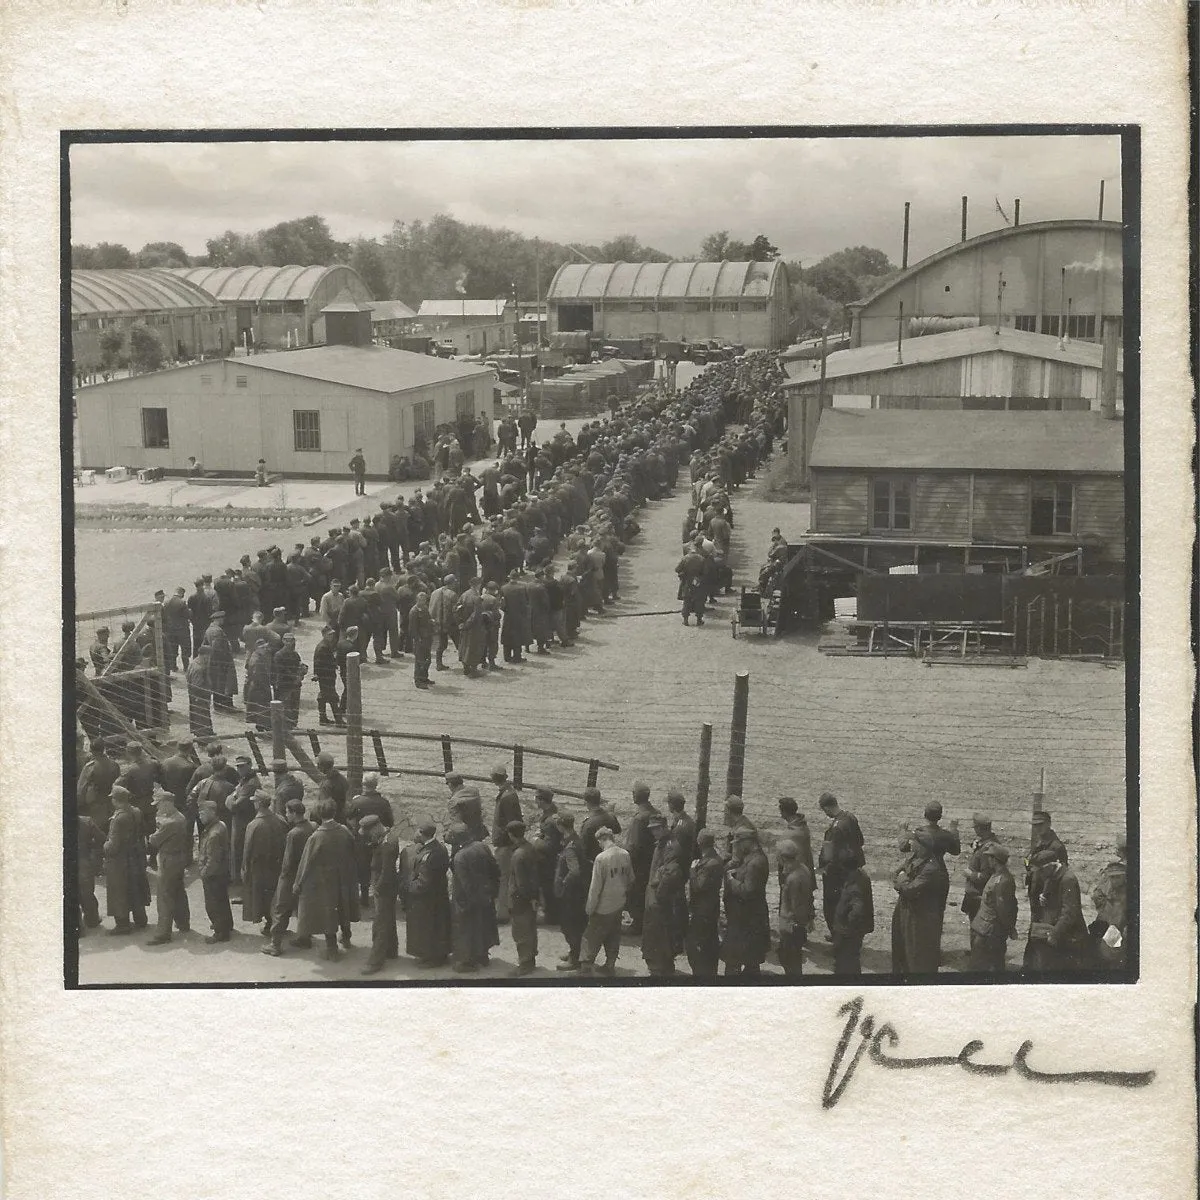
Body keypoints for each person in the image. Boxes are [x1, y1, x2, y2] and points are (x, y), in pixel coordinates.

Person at [293, 798, 361, 960]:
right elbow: (353, 849)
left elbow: (306, 862)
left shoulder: (317, 837)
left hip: (325, 880)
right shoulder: (344, 830)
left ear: (318, 814)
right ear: (335, 812)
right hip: (344, 877)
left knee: (328, 911)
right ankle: (346, 936)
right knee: (343, 906)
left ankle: (332, 949)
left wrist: (298, 882)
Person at [261, 799, 316, 956]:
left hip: (291, 876)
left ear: (293, 813)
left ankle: (275, 944)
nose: (286, 815)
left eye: (287, 812)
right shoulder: (311, 827)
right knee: (303, 907)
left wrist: (282, 878)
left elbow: (287, 861)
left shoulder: (293, 834)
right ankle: (305, 937)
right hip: (307, 875)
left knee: (280, 908)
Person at [578, 826, 633, 977]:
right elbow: (630, 879)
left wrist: (590, 908)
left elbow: (595, 888)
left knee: (590, 937)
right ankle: (610, 965)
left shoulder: (601, 858)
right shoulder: (625, 854)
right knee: (613, 935)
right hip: (618, 903)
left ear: (601, 840)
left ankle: (585, 969)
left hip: (603, 906)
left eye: (599, 842)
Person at [447, 823, 501, 974]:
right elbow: (495, 870)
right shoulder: (482, 847)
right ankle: (482, 955)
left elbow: (466, 884)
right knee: (483, 925)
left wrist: (468, 901)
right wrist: (491, 892)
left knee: (465, 930)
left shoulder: (459, 857)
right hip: (485, 895)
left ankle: (466, 962)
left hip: (467, 899)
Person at [721, 825, 770, 977]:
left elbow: (747, 891)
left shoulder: (755, 862)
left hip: (747, 918)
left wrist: (731, 880)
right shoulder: (752, 858)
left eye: (739, 843)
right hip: (747, 917)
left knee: (737, 960)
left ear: (748, 842)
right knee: (749, 959)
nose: (738, 847)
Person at [890, 837, 944, 976]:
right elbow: (896, 874)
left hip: (919, 915)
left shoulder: (931, 867)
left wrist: (902, 881)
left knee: (915, 952)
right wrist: (903, 882)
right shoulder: (915, 857)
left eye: (913, 841)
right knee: (901, 946)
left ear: (922, 846)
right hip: (905, 908)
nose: (910, 843)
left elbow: (910, 889)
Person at [640, 814, 686, 975]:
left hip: (661, 897)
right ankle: (660, 964)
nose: (654, 832)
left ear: (663, 827)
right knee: (655, 931)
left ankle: (660, 967)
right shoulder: (662, 843)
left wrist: (658, 894)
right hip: (655, 895)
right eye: (652, 829)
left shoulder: (671, 846)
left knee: (659, 932)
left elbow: (669, 874)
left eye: (656, 829)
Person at [402, 823, 452, 967]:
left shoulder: (429, 854)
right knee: (438, 927)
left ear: (422, 833)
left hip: (427, 899)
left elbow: (423, 882)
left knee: (427, 929)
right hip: (438, 895)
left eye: (417, 831)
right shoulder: (439, 847)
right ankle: (440, 955)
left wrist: (408, 887)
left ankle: (431, 959)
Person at [1027, 857, 1089, 971]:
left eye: (1041, 871)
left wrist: (1055, 934)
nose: (1040, 875)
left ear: (1050, 866)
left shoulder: (1068, 879)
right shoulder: (1052, 876)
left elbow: (1069, 912)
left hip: (1070, 935)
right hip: (1060, 932)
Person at [817, 791, 865, 936]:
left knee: (833, 906)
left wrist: (823, 868)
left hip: (837, 873)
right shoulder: (850, 817)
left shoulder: (836, 828)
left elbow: (829, 855)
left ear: (826, 808)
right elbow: (860, 841)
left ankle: (837, 937)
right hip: (853, 869)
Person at [103, 785, 149, 934]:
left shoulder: (118, 818)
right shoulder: (137, 812)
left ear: (116, 800)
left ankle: (123, 924)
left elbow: (113, 845)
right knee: (135, 887)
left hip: (120, 859)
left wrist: (104, 846)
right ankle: (141, 919)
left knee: (119, 889)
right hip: (135, 855)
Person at [146, 791, 190, 944]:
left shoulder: (170, 822)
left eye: (158, 804)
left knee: (164, 896)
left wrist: (156, 828)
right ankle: (183, 923)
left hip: (168, 859)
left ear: (166, 803)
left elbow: (153, 841)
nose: (157, 808)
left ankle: (162, 933)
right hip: (179, 858)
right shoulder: (180, 817)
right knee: (178, 891)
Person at [242, 791, 288, 936]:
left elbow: (247, 850)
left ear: (259, 804)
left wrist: (245, 869)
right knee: (276, 894)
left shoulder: (254, 825)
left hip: (259, 867)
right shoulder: (280, 820)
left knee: (261, 897)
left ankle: (270, 924)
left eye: (255, 801)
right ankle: (278, 923)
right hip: (277, 865)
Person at [360, 815, 400, 975]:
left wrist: (377, 888)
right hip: (385, 886)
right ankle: (391, 950)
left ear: (375, 828)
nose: (368, 837)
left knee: (380, 923)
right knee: (388, 918)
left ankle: (376, 961)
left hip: (384, 887)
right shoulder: (388, 837)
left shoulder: (387, 845)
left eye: (368, 833)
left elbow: (386, 871)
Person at [968, 843, 1018, 972]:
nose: (988, 860)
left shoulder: (1003, 880)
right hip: (984, 928)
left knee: (988, 967)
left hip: (990, 932)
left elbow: (1003, 909)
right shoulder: (997, 876)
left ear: (995, 860)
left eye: (990, 858)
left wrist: (1009, 928)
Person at [347, 773, 395, 905]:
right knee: (378, 866)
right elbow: (390, 822)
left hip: (361, 839)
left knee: (362, 866)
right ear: (376, 785)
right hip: (378, 839)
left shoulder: (357, 801)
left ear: (363, 784)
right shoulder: (384, 802)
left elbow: (348, 817)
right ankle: (378, 895)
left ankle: (364, 895)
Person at [685, 829, 724, 978]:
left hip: (703, 909)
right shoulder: (715, 859)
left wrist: (693, 871)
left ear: (699, 843)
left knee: (697, 945)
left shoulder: (709, 863)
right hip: (710, 907)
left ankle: (701, 974)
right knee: (708, 942)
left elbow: (699, 886)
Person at [553, 813, 588, 972]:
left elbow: (574, 871)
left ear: (561, 826)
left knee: (570, 926)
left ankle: (575, 959)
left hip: (571, 894)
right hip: (579, 892)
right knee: (576, 925)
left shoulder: (570, 847)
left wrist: (563, 884)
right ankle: (575, 953)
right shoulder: (576, 840)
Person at [624, 782, 659, 937]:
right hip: (651, 860)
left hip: (639, 863)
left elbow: (634, 845)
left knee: (636, 892)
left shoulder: (639, 818)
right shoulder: (654, 812)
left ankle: (637, 923)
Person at [776, 840, 816, 977]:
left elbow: (796, 905)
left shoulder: (793, 878)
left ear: (783, 857)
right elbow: (809, 897)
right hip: (798, 923)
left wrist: (796, 924)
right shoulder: (803, 869)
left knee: (788, 959)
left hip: (791, 925)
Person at [489, 764, 523, 922]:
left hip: (505, 844)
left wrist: (510, 841)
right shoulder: (507, 793)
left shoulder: (507, 796)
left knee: (503, 878)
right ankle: (508, 907)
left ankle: (502, 913)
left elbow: (511, 822)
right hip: (506, 843)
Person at [196, 799, 234, 944]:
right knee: (222, 900)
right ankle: (227, 925)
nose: (200, 816)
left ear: (212, 813)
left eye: (203, 813)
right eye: (199, 813)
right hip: (221, 872)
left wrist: (204, 873)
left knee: (213, 904)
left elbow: (213, 859)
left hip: (213, 874)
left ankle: (220, 933)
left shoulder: (213, 834)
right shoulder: (220, 825)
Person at [1090, 831, 1128, 971]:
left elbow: (1097, 894)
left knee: (1111, 955)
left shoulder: (1119, 871)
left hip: (1115, 925)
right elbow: (1097, 895)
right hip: (1111, 923)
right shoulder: (1116, 870)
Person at [507, 820, 540, 977]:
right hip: (531, 896)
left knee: (521, 932)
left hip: (520, 899)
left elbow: (521, 883)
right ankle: (530, 959)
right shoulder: (530, 848)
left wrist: (525, 897)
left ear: (511, 835)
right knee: (530, 929)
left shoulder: (518, 855)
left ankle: (525, 964)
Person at [829, 863, 874, 976]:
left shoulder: (854, 886)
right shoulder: (859, 877)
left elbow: (857, 910)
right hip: (851, 932)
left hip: (848, 933)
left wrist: (845, 927)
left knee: (845, 963)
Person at [960, 814, 998, 922]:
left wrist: (969, 874)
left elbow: (986, 877)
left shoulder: (988, 849)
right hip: (976, 896)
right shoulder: (986, 843)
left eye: (976, 828)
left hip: (979, 897)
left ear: (979, 829)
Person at [76, 811, 106, 936]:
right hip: (84, 860)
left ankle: (77, 928)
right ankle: (92, 920)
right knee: (87, 892)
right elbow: (101, 838)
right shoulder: (86, 821)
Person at [272, 634, 307, 729]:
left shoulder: (295, 654)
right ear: (283, 641)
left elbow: (299, 664)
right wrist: (295, 677)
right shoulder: (279, 655)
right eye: (286, 640)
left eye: (291, 640)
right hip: (284, 684)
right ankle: (285, 725)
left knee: (294, 705)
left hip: (295, 684)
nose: (289, 643)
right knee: (285, 706)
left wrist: (302, 671)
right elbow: (281, 670)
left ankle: (293, 724)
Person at [312, 627, 343, 725]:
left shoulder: (325, 645)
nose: (331, 636)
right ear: (324, 635)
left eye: (332, 634)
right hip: (326, 676)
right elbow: (319, 663)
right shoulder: (323, 647)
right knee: (333, 697)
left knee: (324, 696)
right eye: (329, 635)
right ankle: (338, 720)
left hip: (325, 676)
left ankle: (323, 718)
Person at [777, 796, 814, 876]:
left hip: (795, 875)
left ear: (785, 812)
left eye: (781, 811)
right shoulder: (802, 826)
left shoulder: (792, 833)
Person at [408, 592, 434, 689]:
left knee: (428, 659)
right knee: (419, 661)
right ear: (417, 600)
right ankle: (418, 681)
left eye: (424, 600)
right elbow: (412, 628)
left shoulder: (425, 609)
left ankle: (424, 678)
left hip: (427, 638)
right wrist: (417, 639)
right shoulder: (414, 612)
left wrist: (431, 622)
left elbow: (428, 619)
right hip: (420, 639)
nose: (422, 602)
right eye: (420, 600)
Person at [665, 789, 697, 866]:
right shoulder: (687, 820)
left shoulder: (681, 826)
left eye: (668, 803)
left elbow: (676, 850)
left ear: (672, 805)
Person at [316, 751, 349, 824]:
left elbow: (324, 806)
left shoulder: (326, 785)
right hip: (341, 815)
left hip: (330, 818)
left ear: (321, 766)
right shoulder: (342, 779)